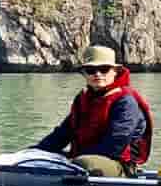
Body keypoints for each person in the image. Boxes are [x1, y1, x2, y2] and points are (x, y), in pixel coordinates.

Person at [32, 43, 153, 177]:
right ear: (84, 74)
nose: (97, 74)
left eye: (104, 69)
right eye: (91, 70)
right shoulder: (83, 99)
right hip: (82, 157)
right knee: (39, 158)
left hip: (118, 163)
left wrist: (72, 160)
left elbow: (115, 145)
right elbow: (62, 134)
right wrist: (33, 152)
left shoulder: (125, 101)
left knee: (83, 164)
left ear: (115, 71)